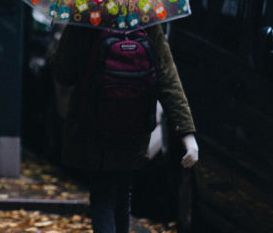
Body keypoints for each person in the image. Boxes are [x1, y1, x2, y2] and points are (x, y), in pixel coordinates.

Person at [51, 25, 199, 233]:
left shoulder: (86, 12)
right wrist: (187, 134)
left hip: (94, 124)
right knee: (122, 190)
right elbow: (168, 78)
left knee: (103, 194)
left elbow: (64, 74)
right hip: (134, 123)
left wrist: (59, 48)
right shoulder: (145, 13)